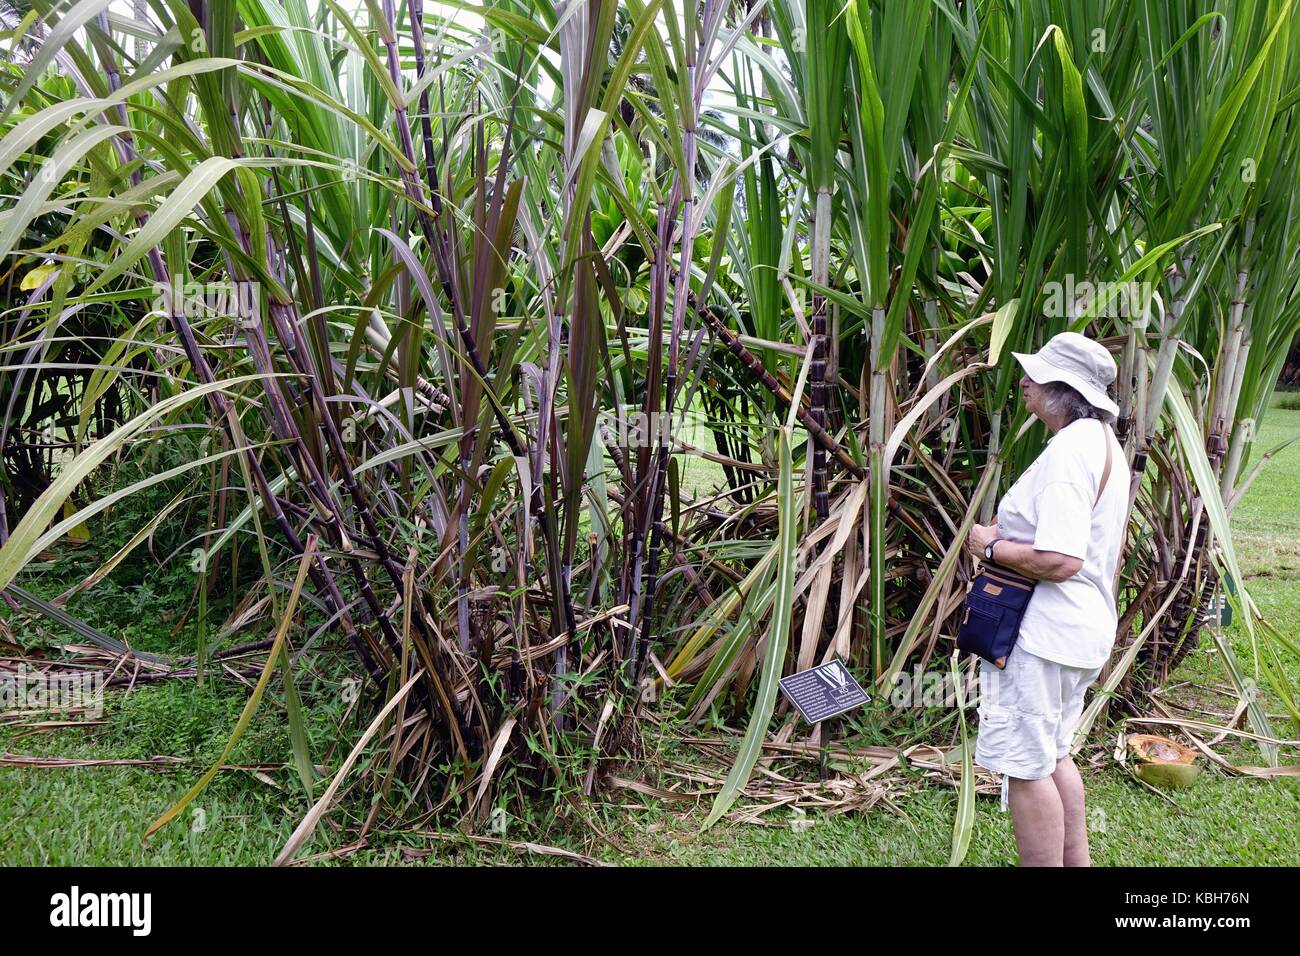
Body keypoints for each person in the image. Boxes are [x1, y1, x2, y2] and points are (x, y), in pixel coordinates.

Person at [965, 331, 1130, 866]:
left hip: (1043, 637)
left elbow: (1061, 560)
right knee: (1055, 754)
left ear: (1062, 390)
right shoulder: (1103, 444)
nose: (1025, 385)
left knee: (1026, 769)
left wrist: (993, 547)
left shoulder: (1067, 454)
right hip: (1078, 633)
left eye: (1034, 378)